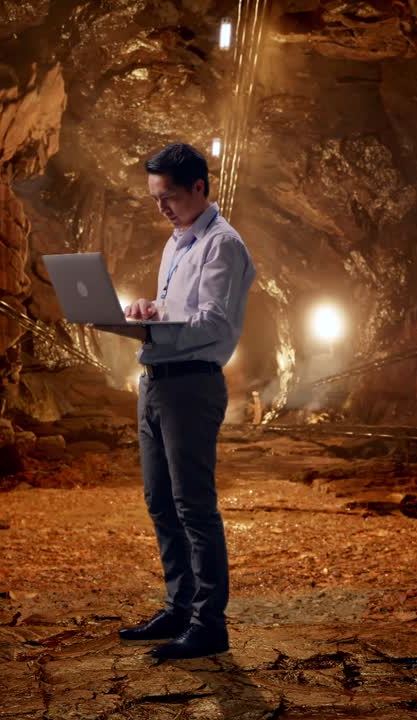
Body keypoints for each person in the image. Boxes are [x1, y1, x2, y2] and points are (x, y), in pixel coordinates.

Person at [114, 142, 256, 660]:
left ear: (200, 187)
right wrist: (150, 309)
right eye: (155, 198)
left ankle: (208, 623)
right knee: (160, 502)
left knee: (194, 506)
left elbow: (215, 323)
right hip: (155, 380)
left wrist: (156, 327)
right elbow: (180, 310)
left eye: (169, 197)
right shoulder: (177, 242)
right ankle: (180, 606)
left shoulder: (223, 245)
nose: (162, 208)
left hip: (191, 384)